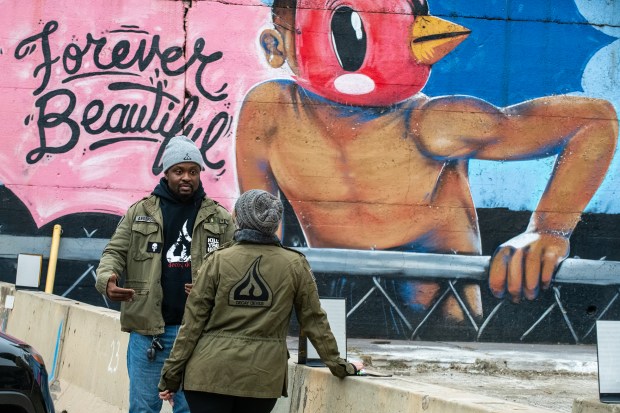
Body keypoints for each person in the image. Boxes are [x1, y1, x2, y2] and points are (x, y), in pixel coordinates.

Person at [235, 0, 618, 333]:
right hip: (331, 298)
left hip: (438, 309)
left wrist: (548, 230)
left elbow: (594, 121)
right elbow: (258, 229)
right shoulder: (271, 113)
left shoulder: (431, 125)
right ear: (276, 46)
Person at [158, 189, 359, 413]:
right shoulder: (295, 264)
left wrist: (170, 376)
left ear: (239, 219)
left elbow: (191, 325)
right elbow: (315, 321)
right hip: (262, 379)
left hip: (208, 375)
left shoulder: (217, 261)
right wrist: (339, 366)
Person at [95, 135, 235, 413]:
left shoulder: (220, 219)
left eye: (193, 171)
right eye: (179, 171)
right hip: (149, 333)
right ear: (166, 173)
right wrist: (107, 280)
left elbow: (237, 267)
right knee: (144, 412)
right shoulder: (140, 212)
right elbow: (114, 252)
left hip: (198, 333)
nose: (187, 177)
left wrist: (214, 288)